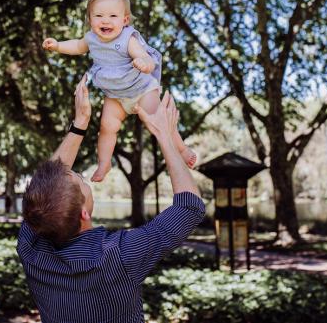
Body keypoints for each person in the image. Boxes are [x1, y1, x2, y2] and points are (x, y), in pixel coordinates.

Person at [16, 74, 205, 323]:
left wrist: (80, 122)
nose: (78, 175)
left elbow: (41, 190)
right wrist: (165, 136)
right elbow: (189, 208)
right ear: (84, 213)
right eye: (81, 181)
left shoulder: (31, 251)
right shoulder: (119, 255)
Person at [42, 0, 196, 182]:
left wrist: (145, 63)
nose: (105, 20)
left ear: (125, 20)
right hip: (115, 97)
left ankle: (181, 148)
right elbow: (77, 46)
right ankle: (104, 164)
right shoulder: (91, 39)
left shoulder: (127, 38)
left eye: (113, 16)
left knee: (160, 121)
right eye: (98, 15)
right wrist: (57, 46)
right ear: (90, 19)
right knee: (106, 127)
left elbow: (143, 55)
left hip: (142, 89)